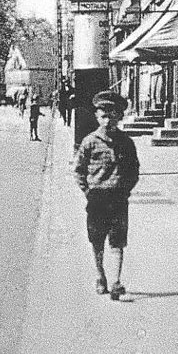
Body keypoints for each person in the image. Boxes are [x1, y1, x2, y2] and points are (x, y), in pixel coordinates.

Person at [73, 92, 140, 300]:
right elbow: (79, 170)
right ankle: (100, 276)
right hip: (97, 199)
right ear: (97, 117)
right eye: (103, 116)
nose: (108, 120)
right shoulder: (90, 142)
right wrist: (88, 191)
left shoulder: (126, 142)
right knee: (97, 241)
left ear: (119, 117)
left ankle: (116, 281)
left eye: (112, 116)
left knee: (118, 241)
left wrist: (125, 190)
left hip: (118, 198)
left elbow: (133, 170)